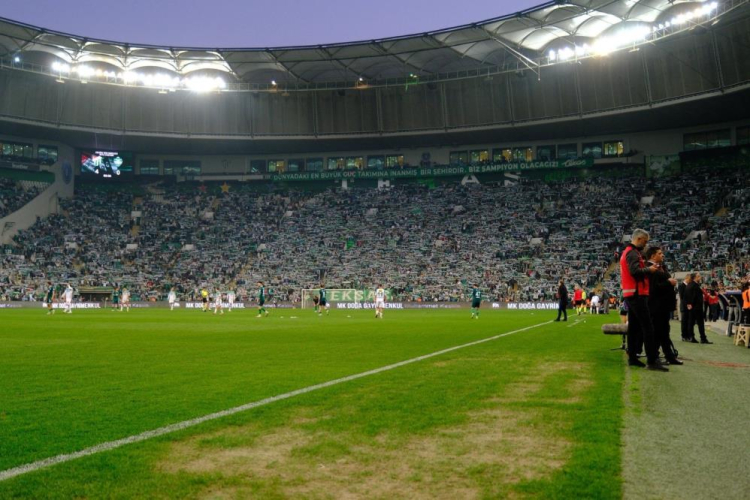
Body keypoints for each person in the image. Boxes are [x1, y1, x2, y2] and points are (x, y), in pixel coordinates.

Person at [620, 229, 668, 371]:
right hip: (637, 294)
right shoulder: (633, 253)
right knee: (648, 327)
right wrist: (650, 270)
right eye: (645, 242)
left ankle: (633, 358)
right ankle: (652, 361)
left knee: (634, 328)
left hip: (631, 293)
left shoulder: (628, 252)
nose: (646, 245)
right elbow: (634, 271)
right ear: (639, 239)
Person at [645, 246, 682, 365]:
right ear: (653, 256)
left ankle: (667, 356)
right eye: (660, 253)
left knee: (664, 332)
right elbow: (653, 288)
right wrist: (668, 282)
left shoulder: (660, 267)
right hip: (657, 306)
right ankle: (656, 356)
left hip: (663, 306)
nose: (663, 255)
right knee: (659, 332)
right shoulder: (650, 268)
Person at [686, 273, 712, 344]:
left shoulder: (689, 285)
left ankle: (691, 337)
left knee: (691, 323)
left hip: (691, 307)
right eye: (699, 276)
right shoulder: (695, 286)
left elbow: (686, 297)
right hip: (697, 307)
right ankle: (703, 338)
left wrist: (689, 304)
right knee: (700, 323)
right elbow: (695, 297)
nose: (700, 277)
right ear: (695, 277)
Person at [678, 274, 693, 342]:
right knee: (684, 322)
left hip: (689, 306)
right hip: (684, 306)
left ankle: (688, 335)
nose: (690, 280)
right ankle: (684, 335)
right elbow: (682, 296)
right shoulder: (681, 285)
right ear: (687, 278)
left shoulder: (689, 285)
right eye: (690, 279)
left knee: (689, 322)